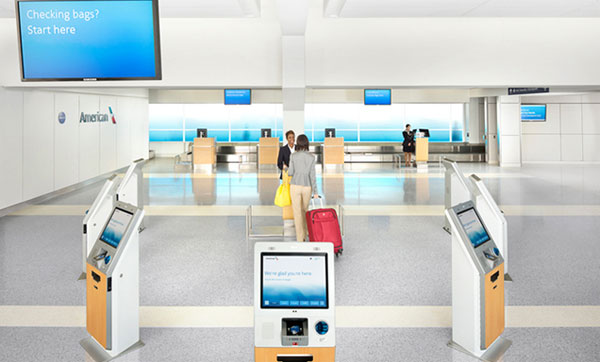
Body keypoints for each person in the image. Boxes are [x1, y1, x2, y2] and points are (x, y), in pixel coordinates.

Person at [287, 134, 319, 242]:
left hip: (295, 186)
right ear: (307, 143)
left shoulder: (293, 156)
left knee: (297, 213)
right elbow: (313, 176)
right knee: (305, 211)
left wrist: (286, 168)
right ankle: (306, 233)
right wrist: (315, 192)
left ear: (298, 143)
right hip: (307, 187)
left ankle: (300, 239)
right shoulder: (311, 157)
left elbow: (290, 172)